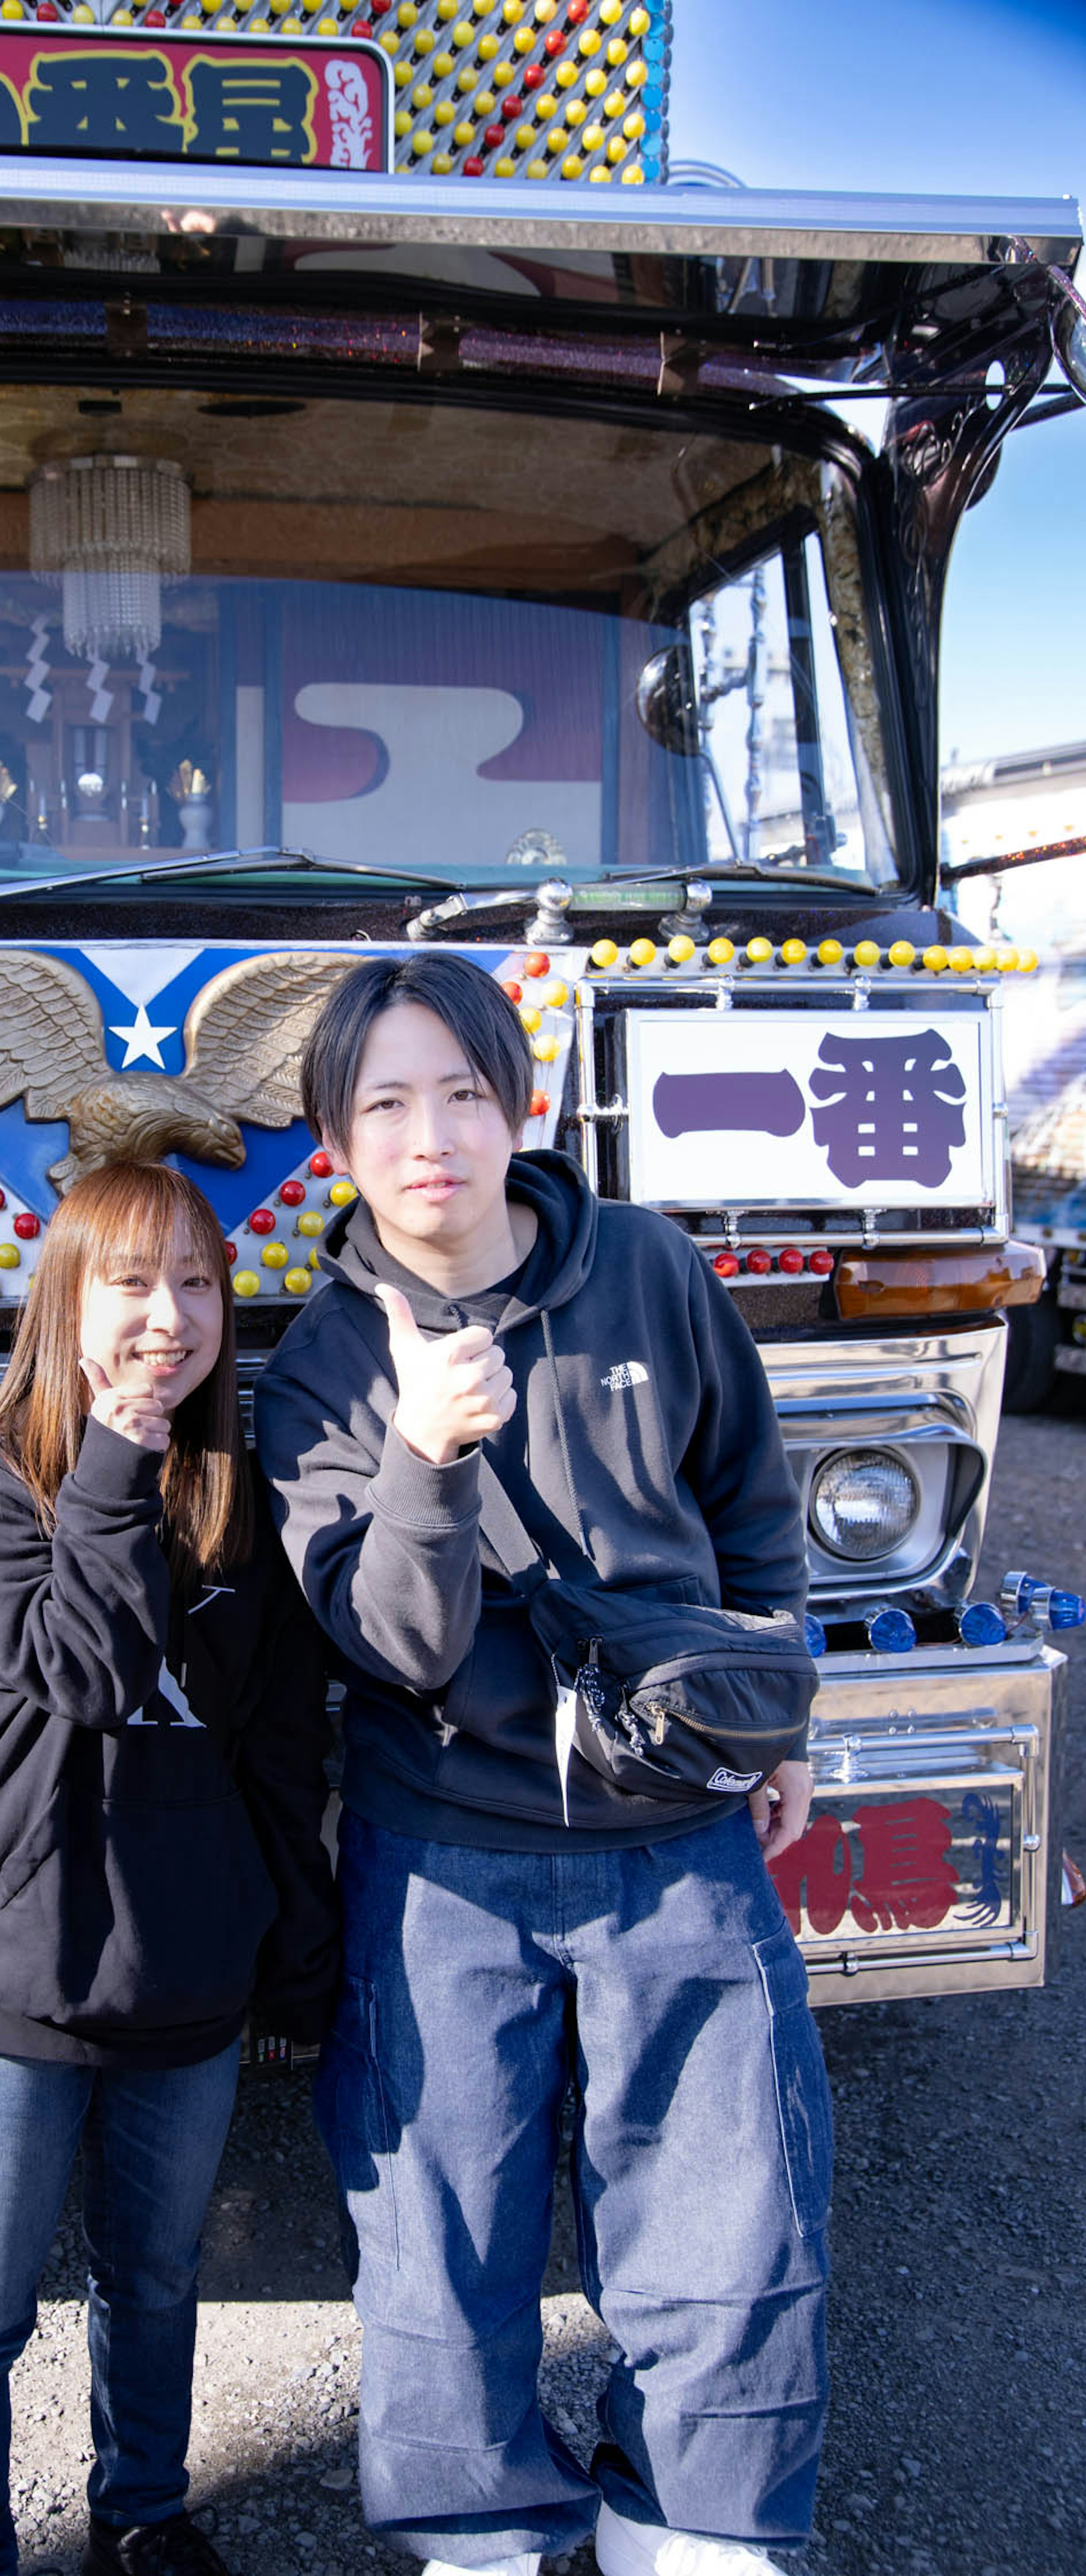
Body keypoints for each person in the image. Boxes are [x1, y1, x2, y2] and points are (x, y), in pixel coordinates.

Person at [253, 952, 831, 2576]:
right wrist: (429, 1455)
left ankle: (696, 2526)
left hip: (679, 1832)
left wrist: (777, 1711)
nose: (428, 1133)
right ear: (337, 1141)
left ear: (520, 1105)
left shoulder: (646, 1266)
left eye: (460, 1090)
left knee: (736, 2209)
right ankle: (481, 2530)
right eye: (384, 1104)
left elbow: (749, 1499)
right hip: (445, 1853)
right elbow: (394, 1646)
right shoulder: (321, 1369)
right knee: (443, 2236)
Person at [0, 1160, 339, 2576]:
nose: (169, 1314)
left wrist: (296, 1947)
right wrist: (112, 1460)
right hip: (2, 1968)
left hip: (184, 1973)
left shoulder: (240, 1508)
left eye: (197, 1282)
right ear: (65, 1302)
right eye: (131, 1282)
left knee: (155, 2280)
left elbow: (276, 1748)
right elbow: (85, 1673)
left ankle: (141, 2513)